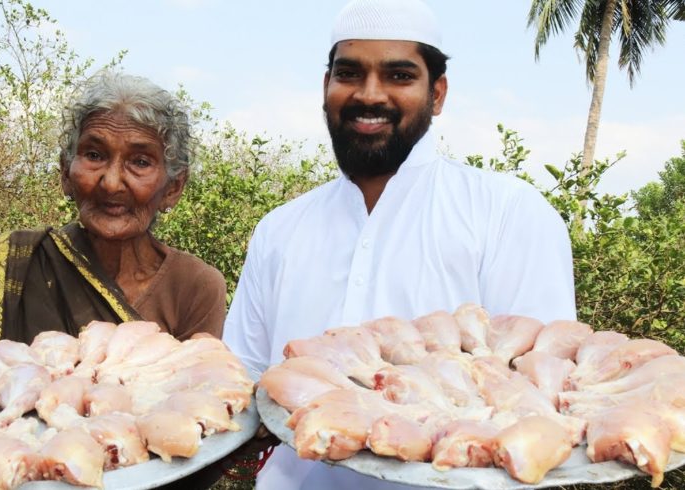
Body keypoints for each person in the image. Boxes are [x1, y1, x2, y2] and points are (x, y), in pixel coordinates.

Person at [222, 0, 576, 488]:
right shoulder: (280, 229)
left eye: (399, 76)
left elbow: (545, 390)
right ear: (326, 87)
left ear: (437, 94)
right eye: (349, 73)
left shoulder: (505, 212)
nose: (370, 95)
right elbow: (244, 382)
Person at [0, 71, 227, 348]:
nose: (110, 183)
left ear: (173, 188)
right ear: (65, 171)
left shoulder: (194, 286)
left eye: (141, 162)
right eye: (94, 156)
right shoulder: (21, 262)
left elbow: (196, 385)